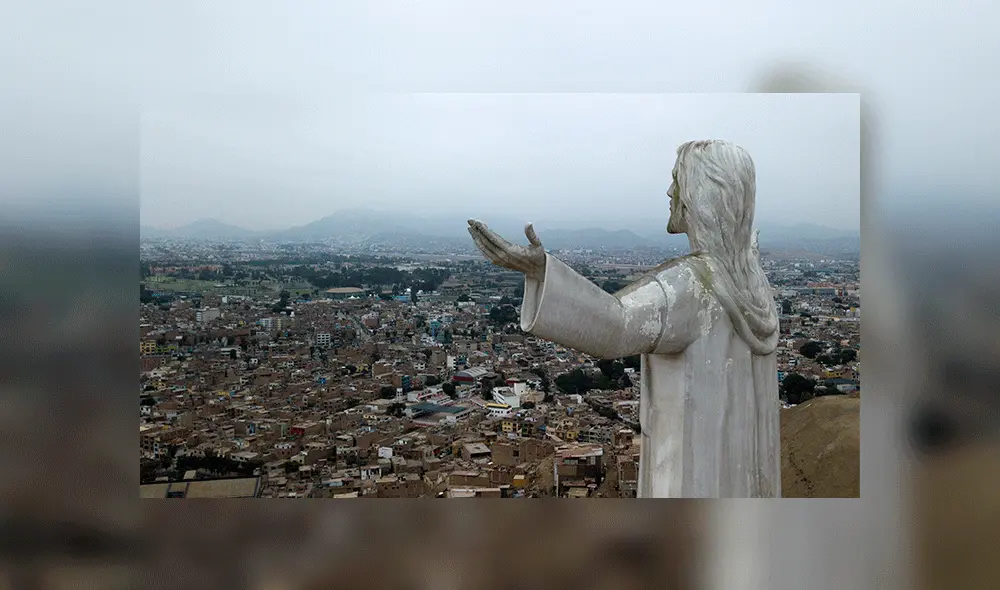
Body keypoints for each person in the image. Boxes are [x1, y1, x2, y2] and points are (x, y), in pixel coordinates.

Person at [468, 139, 780, 497]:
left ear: (702, 193)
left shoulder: (694, 286)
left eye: (677, 180)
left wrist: (542, 270)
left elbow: (615, 326)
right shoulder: (753, 284)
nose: (669, 191)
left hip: (691, 475)